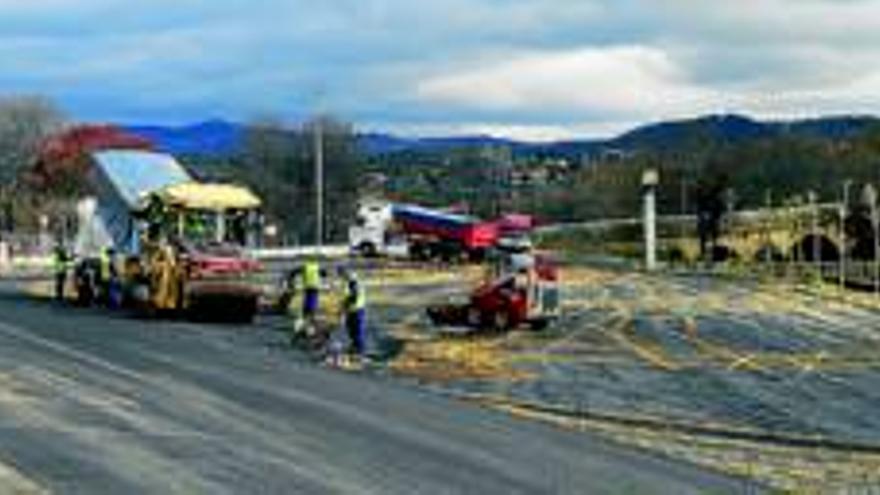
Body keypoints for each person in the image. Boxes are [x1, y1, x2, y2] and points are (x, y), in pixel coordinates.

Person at [341, 270, 367, 358]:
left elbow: (353, 297)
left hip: (357, 311)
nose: (345, 278)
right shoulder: (348, 284)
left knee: (357, 331)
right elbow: (346, 297)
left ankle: (359, 351)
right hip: (351, 311)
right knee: (350, 330)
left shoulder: (356, 285)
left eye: (346, 277)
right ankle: (354, 348)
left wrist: (346, 303)